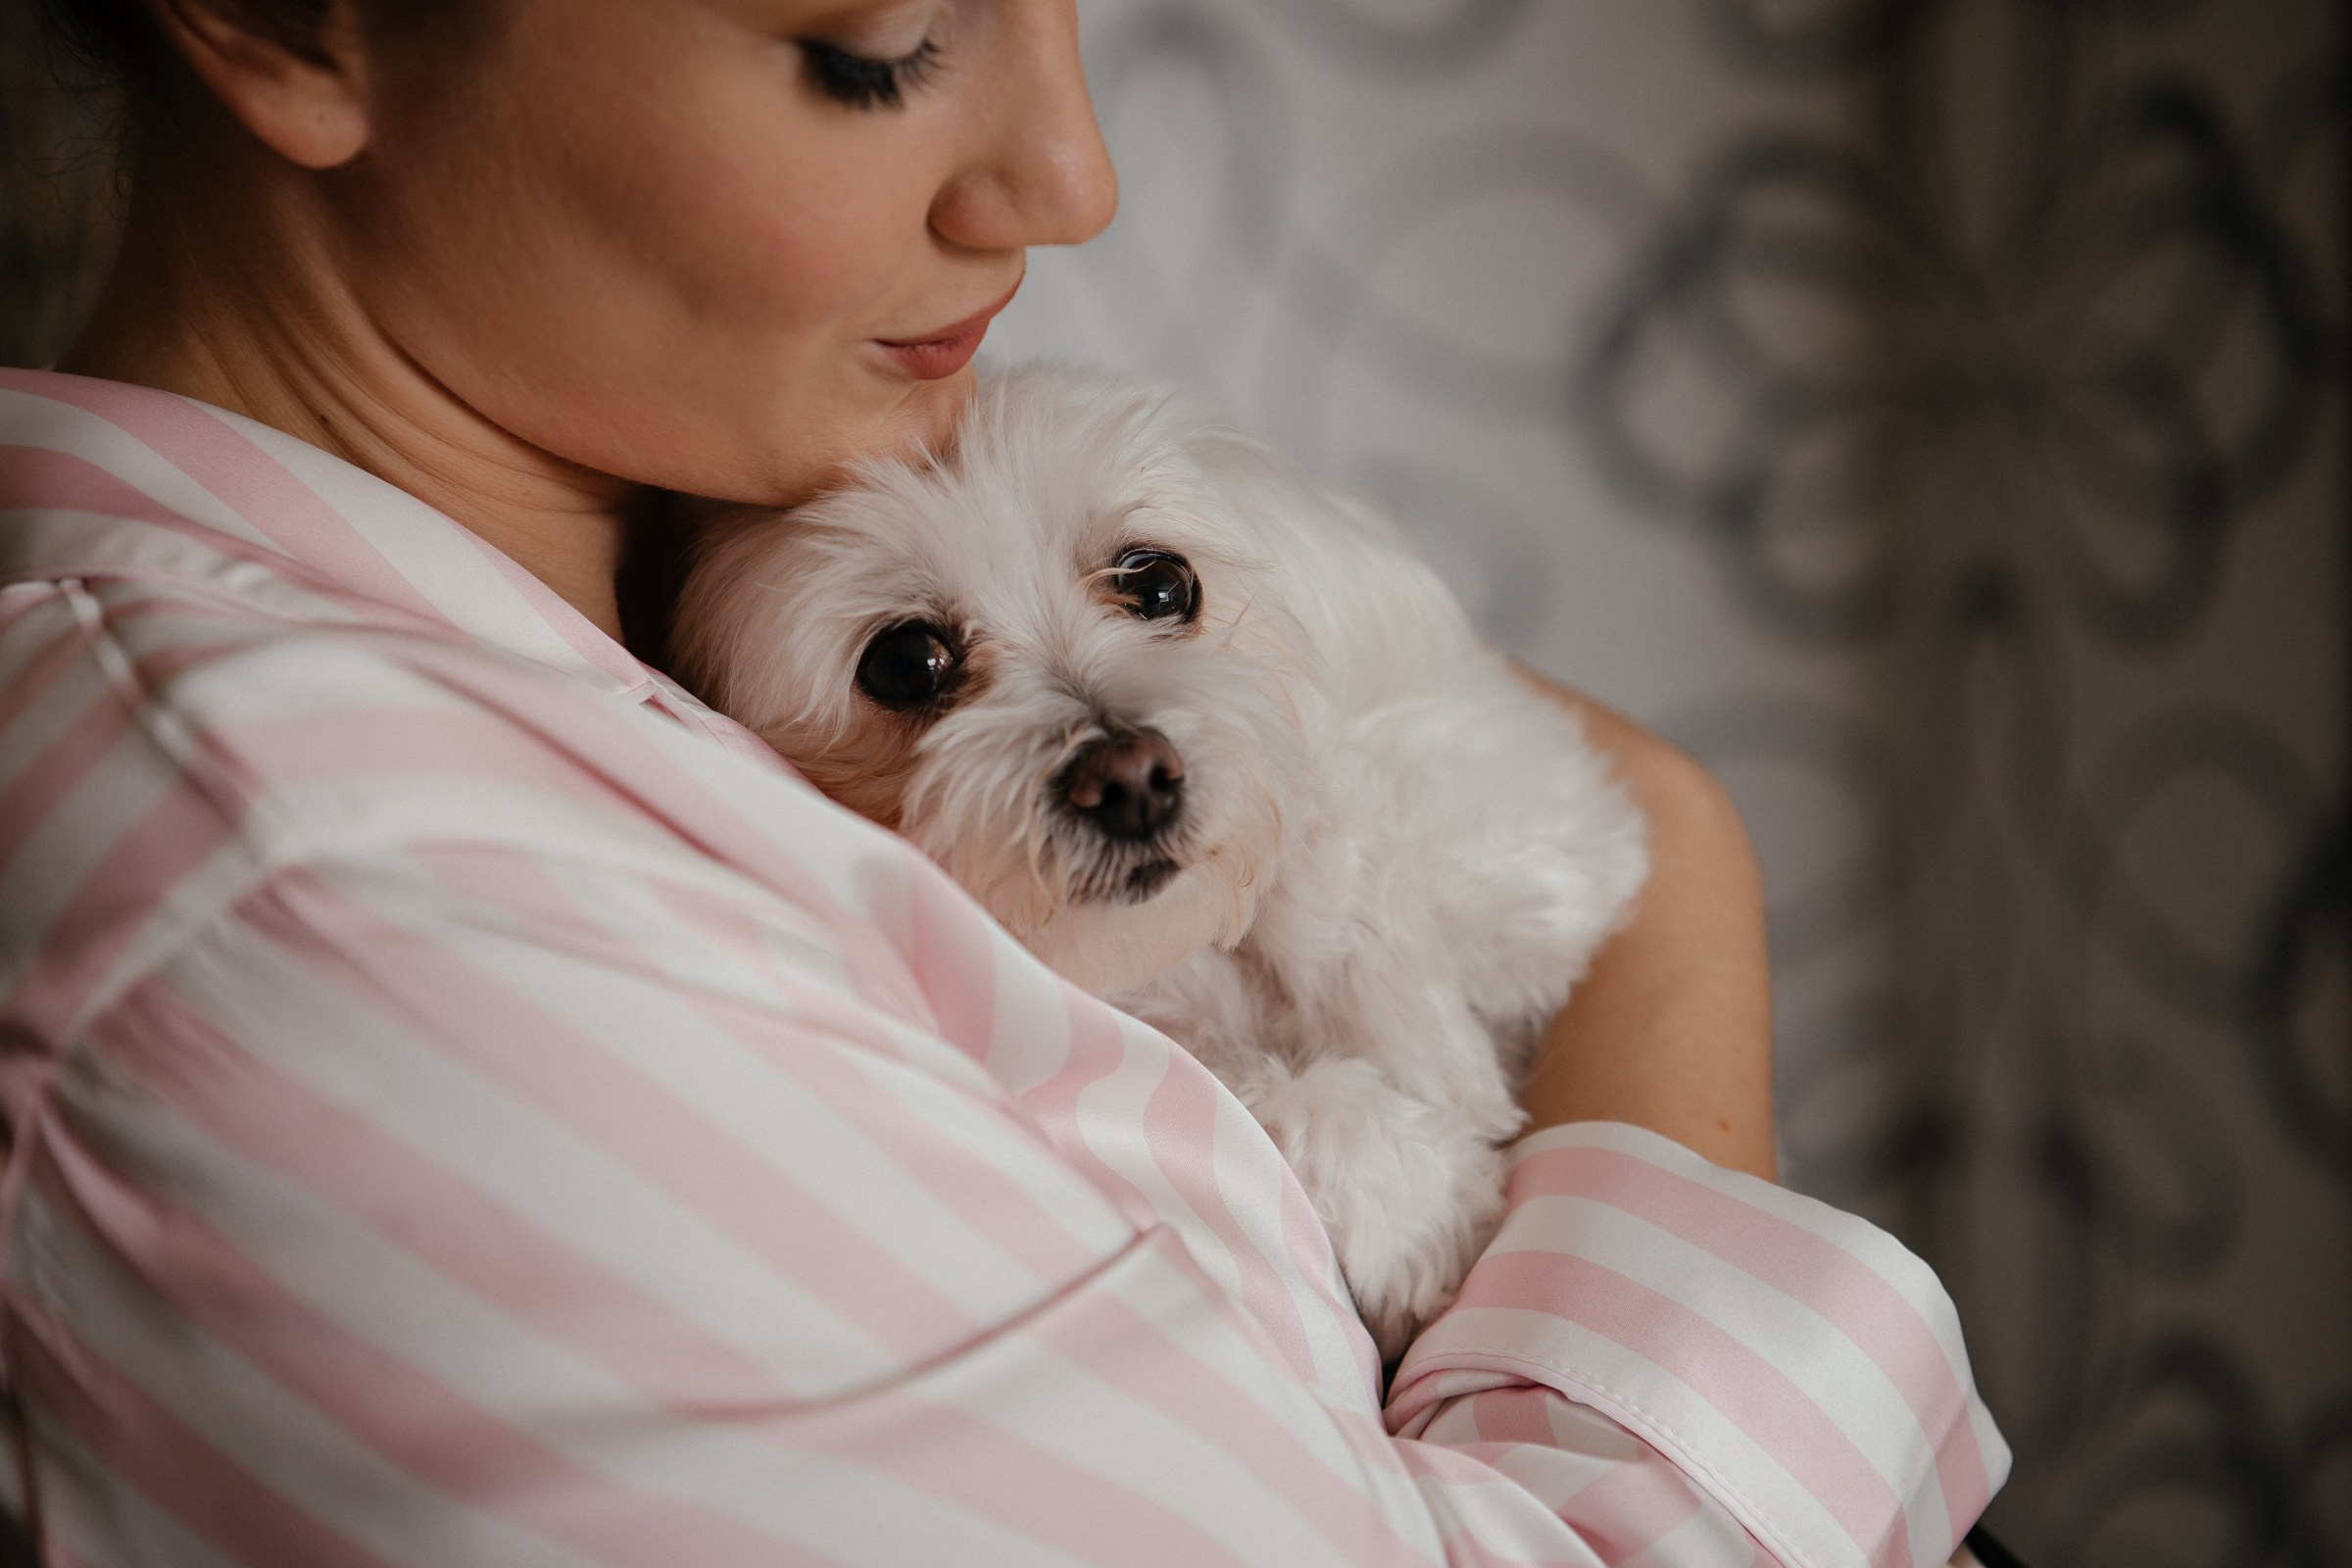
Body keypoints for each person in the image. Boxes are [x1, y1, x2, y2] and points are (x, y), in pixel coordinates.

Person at [0, 0, 2008, 1563]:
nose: (1071, 178)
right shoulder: (329, 893)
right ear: (281, 17)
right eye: (877, 48)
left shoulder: (524, 702)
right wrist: (1677, 884)